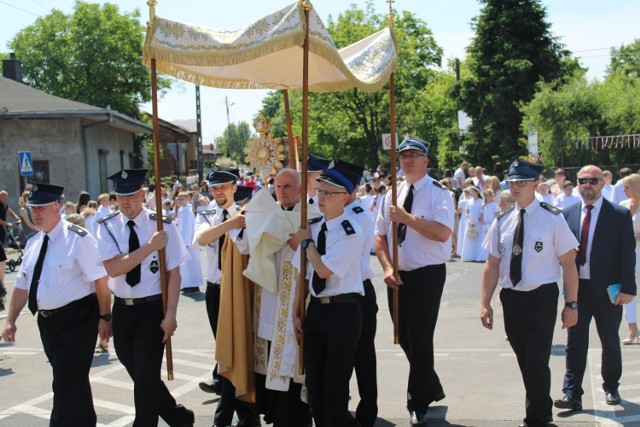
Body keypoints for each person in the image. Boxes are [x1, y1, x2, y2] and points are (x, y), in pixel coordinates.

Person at [1, 183, 112, 427]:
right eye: (33, 209)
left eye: (42, 208)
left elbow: (100, 281)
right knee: (74, 382)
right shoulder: (33, 243)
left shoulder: (79, 239)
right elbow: (22, 286)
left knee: (64, 385)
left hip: (77, 319)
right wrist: (11, 319)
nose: (36, 214)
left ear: (58, 207)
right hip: (48, 323)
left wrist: (105, 317)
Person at [480, 159, 579, 427]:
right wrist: (485, 304)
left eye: (522, 182)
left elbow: (569, 263)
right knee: (525, 360)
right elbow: (492, 265)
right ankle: (542, 404)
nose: (515, 187)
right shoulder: (502, 221)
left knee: (536, 359)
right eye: (511, 182)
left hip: (542, 296)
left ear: (536, 183)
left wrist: (571, 303)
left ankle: (534, 418)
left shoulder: (553, 218)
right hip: (511, 298)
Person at [96, 169, 194, 427]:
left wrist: (171, 315)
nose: (125, 201)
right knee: (140, 374)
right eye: (120, 195)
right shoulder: (107, 227)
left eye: (131, 195)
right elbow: (114, 269)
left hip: (152, 310)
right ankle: (179, 417)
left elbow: (175, 274)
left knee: (146, 378)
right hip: (122, 311)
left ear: (142, 195)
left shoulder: (163, 225)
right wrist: (150, 247)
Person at [374, 138, 455, 426]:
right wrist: (386, 267)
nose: (407, 160)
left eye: (414, 155)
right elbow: (380, 235)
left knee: (420, 339)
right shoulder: (391, 193)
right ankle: (431, 386)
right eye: (403, 155)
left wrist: (407, 218)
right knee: (404, 337)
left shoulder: (439, 194)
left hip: (427, 275)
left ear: (426, 161)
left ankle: (417, 401)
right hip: (397, 274)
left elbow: (442, 233)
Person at [234, 168, 318, 426]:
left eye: (288, 186)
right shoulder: (266, 214)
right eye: (278, 186)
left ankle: (295, 415)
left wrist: (302, 244)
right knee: (270, 352)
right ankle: (274, 411)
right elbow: (245, 245)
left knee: (293, 359)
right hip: (268, 297)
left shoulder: (312, 217)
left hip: (296, 296)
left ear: (301, 189)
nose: (281, 191)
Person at [554, 165, 636, 412]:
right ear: (576, 183)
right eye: (583, 180)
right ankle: (572, 393)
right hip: (578, 289)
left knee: (610, 340)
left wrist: (628, 289)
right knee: (575, 341)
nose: (587, 185)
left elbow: (627, 254)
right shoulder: (566, 214)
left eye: (593, 180)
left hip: (608, 289)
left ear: (602, 183)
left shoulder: (618, 214)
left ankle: (611, 386)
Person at [292, 161, 364, 427]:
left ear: (344, 197)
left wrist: (306, 242)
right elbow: (305, 274)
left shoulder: (350, 231)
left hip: (343, 311)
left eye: (328, 193)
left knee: (335, 386)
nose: (321, 197)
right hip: (317, 310)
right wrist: (297, 312)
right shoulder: (314, 226)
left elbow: (322, 270)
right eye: (320, 191)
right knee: (315, 385)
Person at [194, 166, 260, 427]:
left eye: (223, 187)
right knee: (225, 351)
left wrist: (237, 221)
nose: (218, 192)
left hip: (241, 290)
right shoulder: (208, 213)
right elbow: (202, 238)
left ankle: (224, 418)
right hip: (216, 290)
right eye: (214, 187)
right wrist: (230, 224)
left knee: (237, 350)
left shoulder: (249, 214)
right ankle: (248, 416)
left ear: (235, 188)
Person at [620, 173, 640, 344]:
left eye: (626, 187)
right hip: (626, 254)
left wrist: (634, 237)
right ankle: (632, 327)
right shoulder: (623, 206)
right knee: (628, 291)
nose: (623, 190)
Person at [175, 192, 202, 294]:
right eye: (179, 199)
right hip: (182, 240)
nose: (180, 201)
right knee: (185, 266)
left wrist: (186, 243)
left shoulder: (189, 211)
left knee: (191, 265)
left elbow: (188, 228)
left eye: (182, 198)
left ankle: (194, 285)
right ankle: (186, 284)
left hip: (188, 241)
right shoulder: (182, 210)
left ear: (187, 199)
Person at [460, 186, 483, 262]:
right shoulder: (469, 201)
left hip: (478, 222)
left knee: (477, 238)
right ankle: (469, 256)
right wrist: (469, 220)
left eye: (472, 191)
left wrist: (476, 221)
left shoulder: (481, 201)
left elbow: (481, 213)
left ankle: (477, 255)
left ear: (476, 192)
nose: (471, 193)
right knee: (469, 238)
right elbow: (466, 212)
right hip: (469, 222)